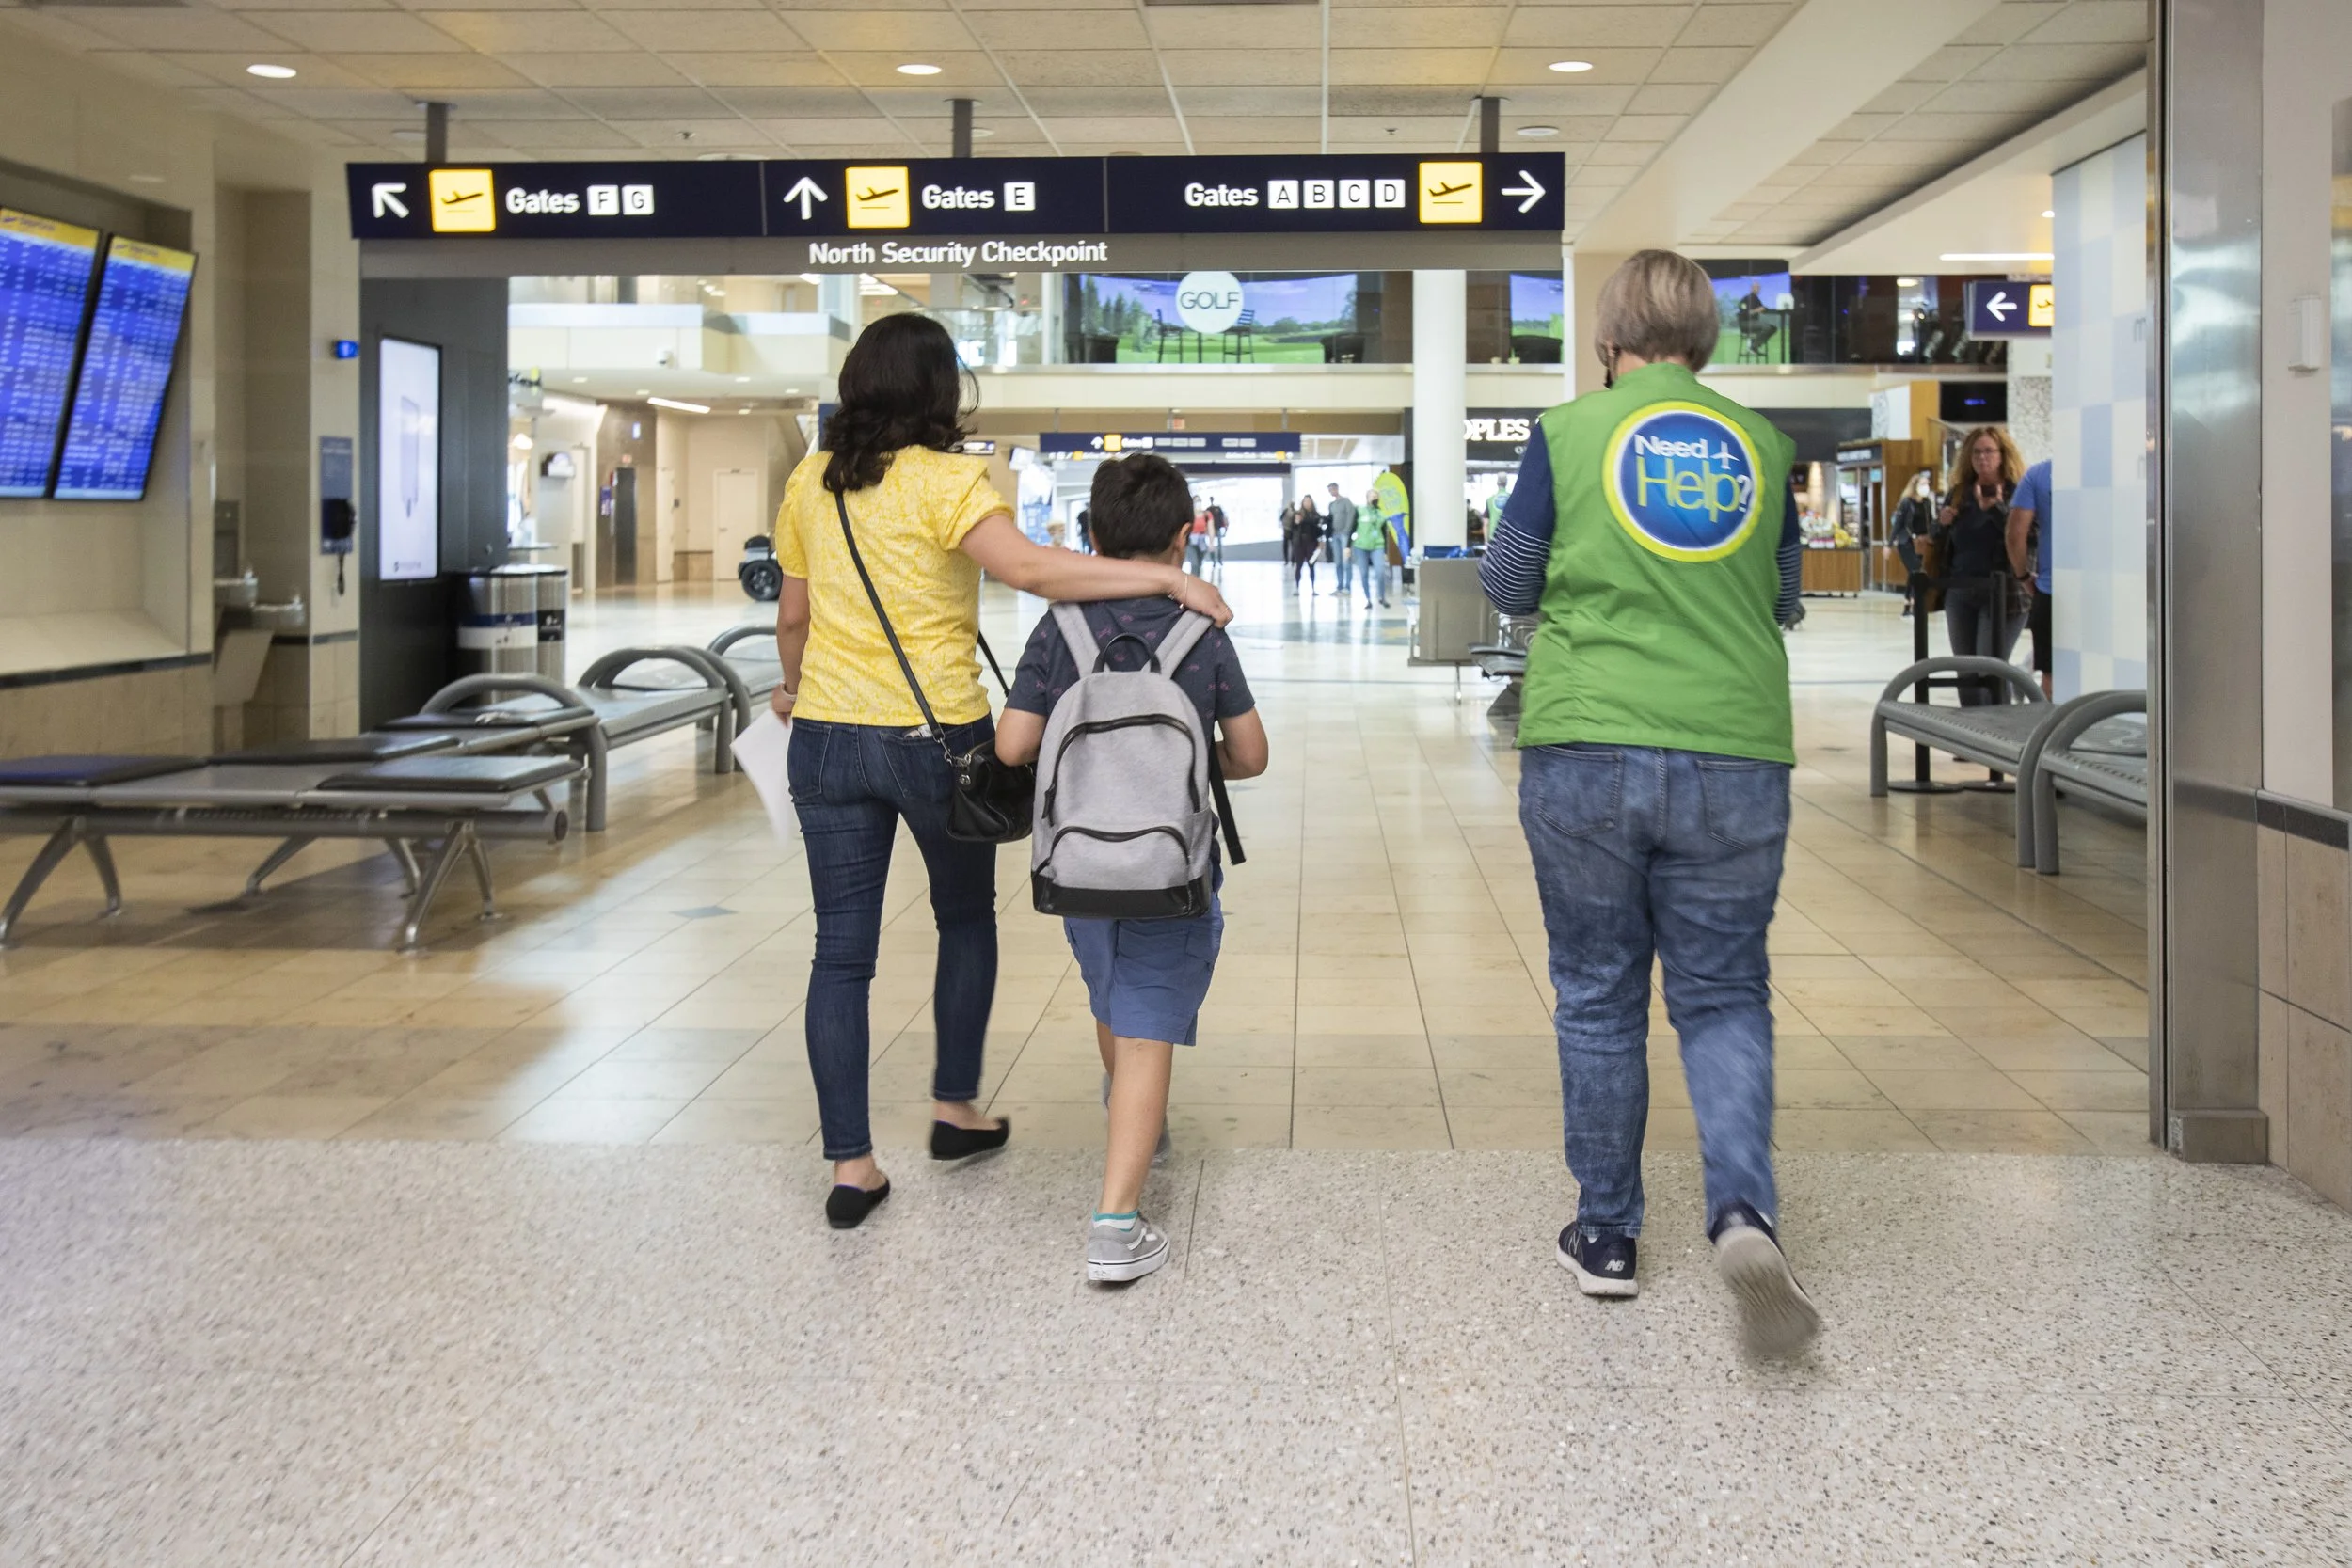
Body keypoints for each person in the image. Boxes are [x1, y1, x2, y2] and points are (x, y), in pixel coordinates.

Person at [768, 314, 1232, 1230]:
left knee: (838, 952)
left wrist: (796, 689)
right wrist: (1168, 582)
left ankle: (851, 1163)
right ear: (939, 393)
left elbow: (793, 614)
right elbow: (1029, 571)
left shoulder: (809, 481)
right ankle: (953, 1108)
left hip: (824, 735)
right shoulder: (949, 480)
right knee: (963, 916)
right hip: (933, 736)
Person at [1478, 248, 1818, 1358]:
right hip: (1732, 743)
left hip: (1586, 739)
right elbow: (1781, 597)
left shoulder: (1570, 433)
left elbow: (1507, 579)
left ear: (1609, 339)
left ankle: (1608, 1234)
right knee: (1723, 993)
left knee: (1596, 990)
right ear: (1705, 340)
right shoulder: (1763, 446)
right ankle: (1740, 1212)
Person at [994, 452, 1269, 1283]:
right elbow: (1250, 755)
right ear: (1187, 538)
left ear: (1091, 537)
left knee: (1114, 995)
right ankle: (1116, 1223)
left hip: (1078, 862)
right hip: (1172, 866)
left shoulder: (1060, 628)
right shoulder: (1200, 631)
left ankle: (1131, 1116)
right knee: (1149, 1020)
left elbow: (1013, 744)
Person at [1931, 426, 2026, 706]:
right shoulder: (1959, 493)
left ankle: (2000, 736)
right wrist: (1941, 524)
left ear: (2002, 455)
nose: (1982, 458)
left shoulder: (2017, 492)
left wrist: (1996, 508)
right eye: (1976, 452)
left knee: (1991, 668)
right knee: (1966, 671)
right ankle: (1971, 742)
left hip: (2003, 594)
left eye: (1989, 451)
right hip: (1960, 590)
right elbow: (1940, 541)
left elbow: (2027, 536)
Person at [2007, 456, 2054, 698]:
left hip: (2052, 590)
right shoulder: (2121, 468)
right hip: (2114, 587)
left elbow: (2015, 534)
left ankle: (2057, 734)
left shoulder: (2039, 474)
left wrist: (2024, 576)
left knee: (2053, 676)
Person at [1890, 469, 1935, 616]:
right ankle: (1916, 603)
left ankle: (1908, 604)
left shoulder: (1927, 503)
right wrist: (1889, 544)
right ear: (1915, 485)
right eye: (1923, 484)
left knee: (1915, 573)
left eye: (1927, 484)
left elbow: (1931, 522)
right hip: (1907, 542)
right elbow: (1898, 524)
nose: (1926, 486)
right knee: (1917, 571)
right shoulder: (1906, 503)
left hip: (1923, 542)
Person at [1351, 486, 1389, 607]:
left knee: (1380, 572)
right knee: (1364, 573)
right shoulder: (1359, 510)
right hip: (1361, 546)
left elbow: (1384, 532)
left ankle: (1382, 597)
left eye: (1376, 497)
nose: (1374, 498)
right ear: (1367, 498)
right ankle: (1368, 599)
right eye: (1372, 496)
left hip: (1377, 546)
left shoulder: (1381, 513)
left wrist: (1386, 552)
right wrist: (1347, 546)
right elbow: (1352, 528)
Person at [1326, 483, 1357, 598]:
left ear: (1337, 489)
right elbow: (1331, 518)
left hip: (1344, 534)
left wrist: (1347, 530)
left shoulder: (1346, 501)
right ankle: (1339, 586)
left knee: (1346, 562)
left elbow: (1351, 514)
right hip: (1335, 535)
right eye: (1330, 490)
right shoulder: (1332, 505)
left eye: (1333, 489)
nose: (1332, 492)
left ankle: (1347, 587)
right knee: (1338, 562)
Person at [1184, 500, 1212, 575]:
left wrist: (1211, 542)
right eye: (1196, 501)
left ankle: (1196, 580)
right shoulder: (1189, 515)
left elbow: (1211, 528)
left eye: (1199, 501)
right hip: (1191, 541)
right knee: (1194, 563)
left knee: (1199, 563)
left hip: (1202, 542)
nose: (1198, 504)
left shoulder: (1206, 514)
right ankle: (1193, 583)